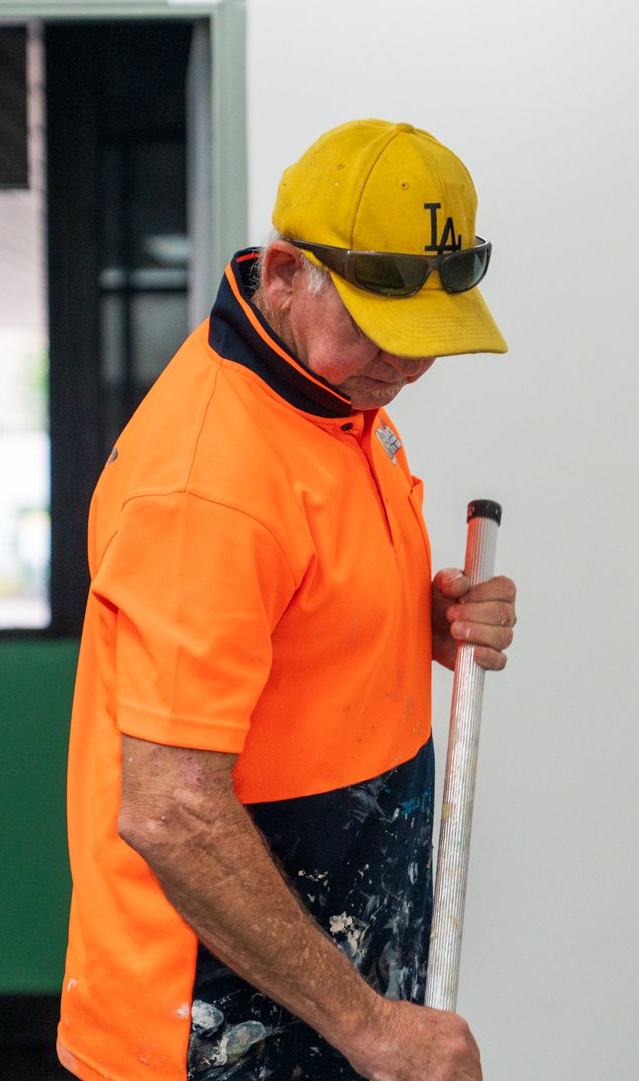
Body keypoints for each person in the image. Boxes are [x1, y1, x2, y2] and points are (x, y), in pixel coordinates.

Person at [57, 118, 519, 1081]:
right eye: (380, 332)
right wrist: (376, 1030)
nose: (404, 367)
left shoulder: (334, 400)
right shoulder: (206, 483)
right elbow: (171, 810)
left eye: (427, 340)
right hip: (207, 1026)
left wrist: (414, 620)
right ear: (281, 273)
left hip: (320, 975)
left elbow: (291, 604)